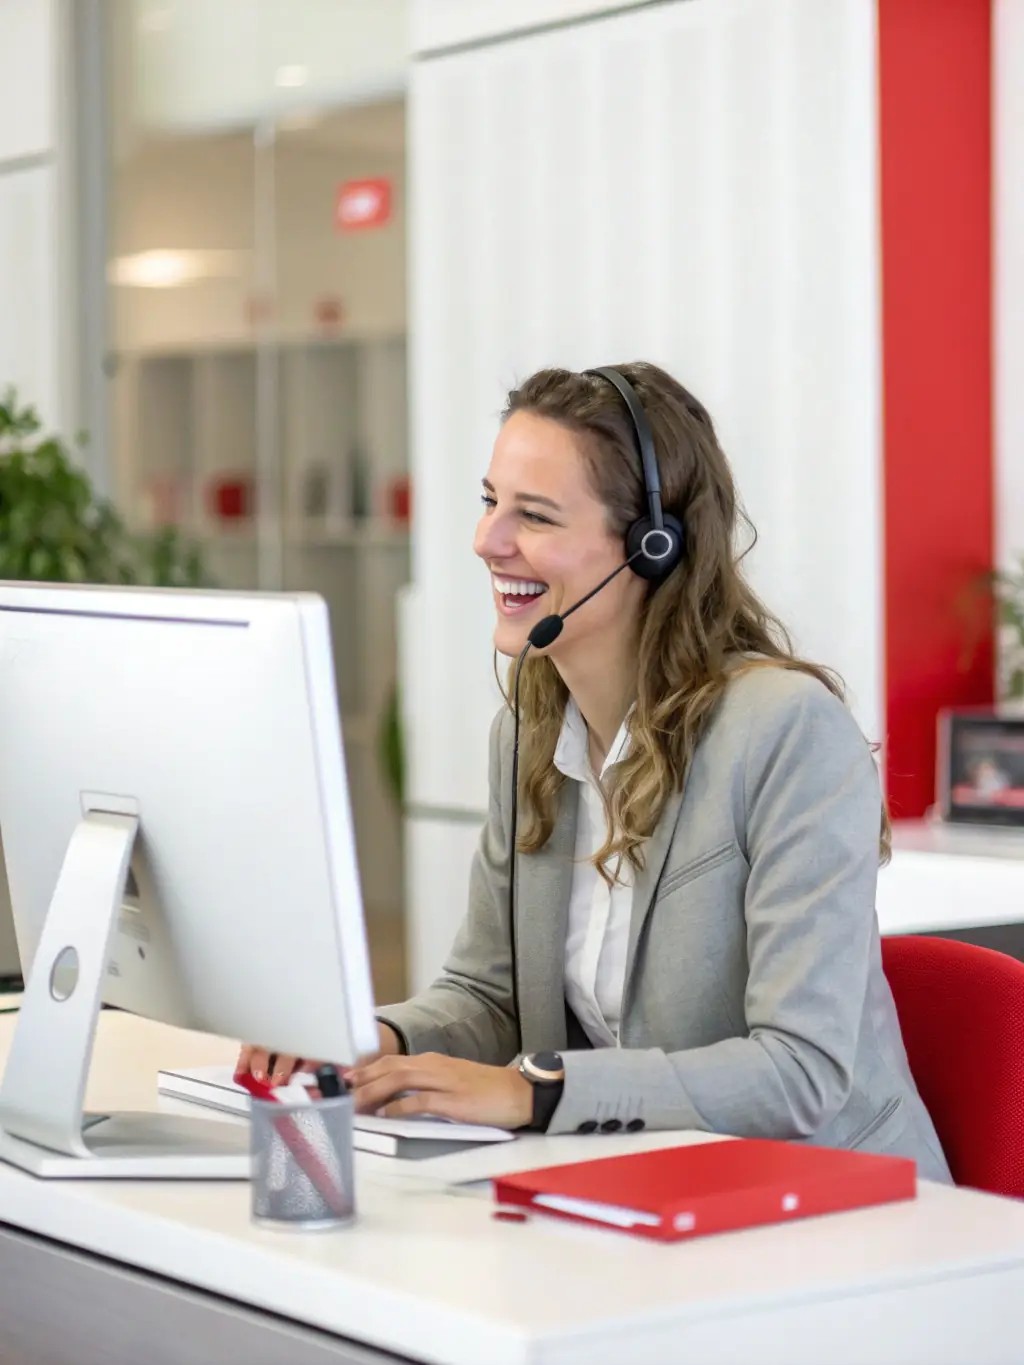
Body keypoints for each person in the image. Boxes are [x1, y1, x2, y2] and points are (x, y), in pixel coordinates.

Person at [239, 362, 951, 1183]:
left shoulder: (785, 731)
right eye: (489, 502)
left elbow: (799, 1069)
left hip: (833, 1206)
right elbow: (488, 995)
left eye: (535, 515)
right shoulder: (531, 731)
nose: (488, 541)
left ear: (653, 547)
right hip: (645, 1187)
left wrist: (532, 1091)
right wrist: (373, 1037)